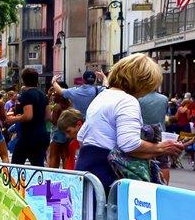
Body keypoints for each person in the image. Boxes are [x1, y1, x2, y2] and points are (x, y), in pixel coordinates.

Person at [76, 53, 184, 192]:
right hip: (109, 174)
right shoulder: (127, 101)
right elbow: (129, 144)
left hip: (88, 168)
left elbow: (81, 136)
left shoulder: (102, 96)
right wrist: (163, 147)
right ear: (142, 82)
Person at [6, 68, 51, 167]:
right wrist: (38, 120)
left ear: (23, 80)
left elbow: (28, 115)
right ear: (37, 79)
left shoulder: (27, 95)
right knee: (38, 166)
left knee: (16, 166)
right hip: (41, 133)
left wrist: (13, 119)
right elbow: (48, 116)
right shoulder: (43, 95)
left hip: (28, 135)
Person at [139, 91, 171, 184]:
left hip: (143, 134)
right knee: (163, 163)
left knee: (142, 160)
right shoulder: (164, 99)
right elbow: (166, 116)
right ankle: (164, 187)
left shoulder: (139, 98)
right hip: (160, 133)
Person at [48, 82, 72, 168]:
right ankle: (66, 173)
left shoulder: (57, 106)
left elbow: (54, 121)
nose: (54, 94)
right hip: (66, 132)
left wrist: (48, 116)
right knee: (65, 155)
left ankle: (52, 175)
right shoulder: (69, 103)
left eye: (55, 92)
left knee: (53, 155)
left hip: (57, 132)